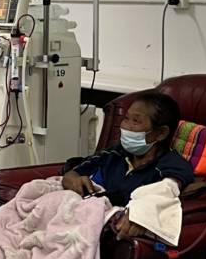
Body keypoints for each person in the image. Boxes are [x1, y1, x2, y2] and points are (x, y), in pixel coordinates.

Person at [62, 90, 194, 239]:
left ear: (161, 133)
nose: (125, 127)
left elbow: (165, 191)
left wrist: (139, 214)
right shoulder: (115, 153)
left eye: (135, 121)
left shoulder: (172, 165)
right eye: (126, 118)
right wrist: (72, 179)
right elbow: (75, 172)